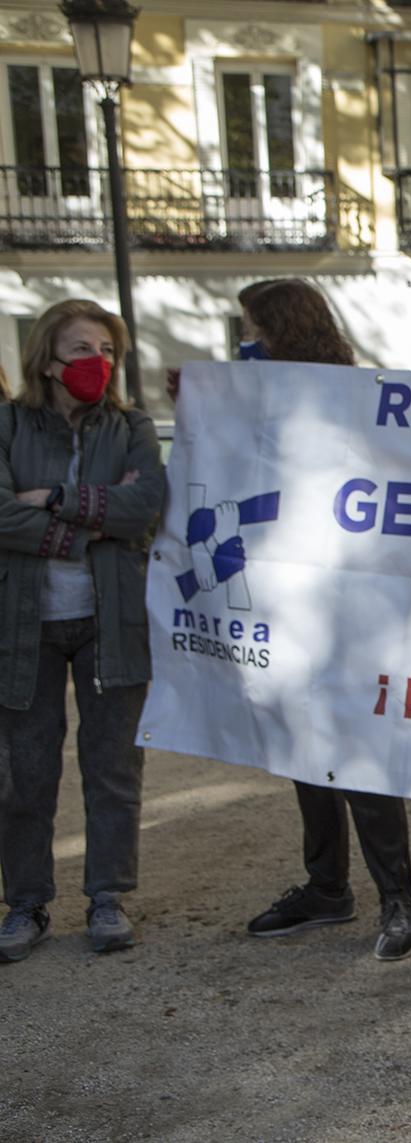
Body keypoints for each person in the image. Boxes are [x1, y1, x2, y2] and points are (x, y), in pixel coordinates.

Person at [219, 279, 411, 962]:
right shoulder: (255, 397)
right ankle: (327, 886)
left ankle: (398, 900)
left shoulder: (359, 397)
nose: (243, 340)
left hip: (353, 599)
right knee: (305, 746)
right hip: (287, 597)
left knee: (359, 749)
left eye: (251, 327)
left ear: (278, 328)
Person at [0, 299, 167, 962]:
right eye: (80, 350)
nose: (95, 363)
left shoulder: (130, 427)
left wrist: (50, 501)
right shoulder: (8, 424)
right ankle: (26, 902)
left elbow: (146, 503)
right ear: (46, 358)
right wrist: (96, 522)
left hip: (112, 621)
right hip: (22, 625)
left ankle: (107, 896)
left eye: (106, 351)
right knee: (21, 772)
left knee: (113, 768)